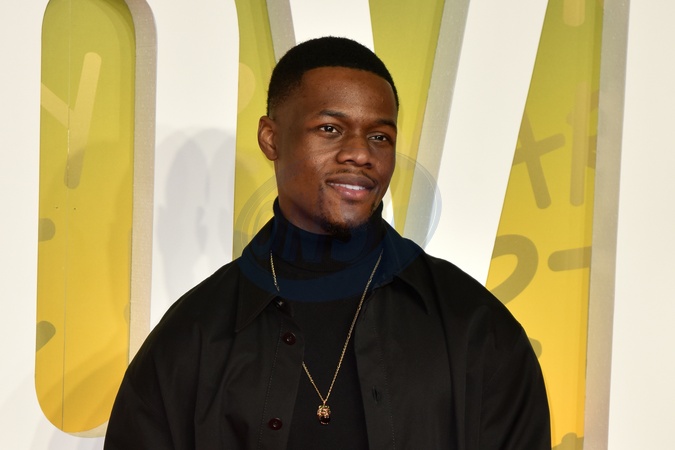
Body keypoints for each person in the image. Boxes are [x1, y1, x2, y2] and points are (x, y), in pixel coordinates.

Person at [105, 36, 550, 450]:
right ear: (271, 138)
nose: (360, 153)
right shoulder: (191, 337)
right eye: (330, 129)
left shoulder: (475, 327)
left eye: (380, 137)